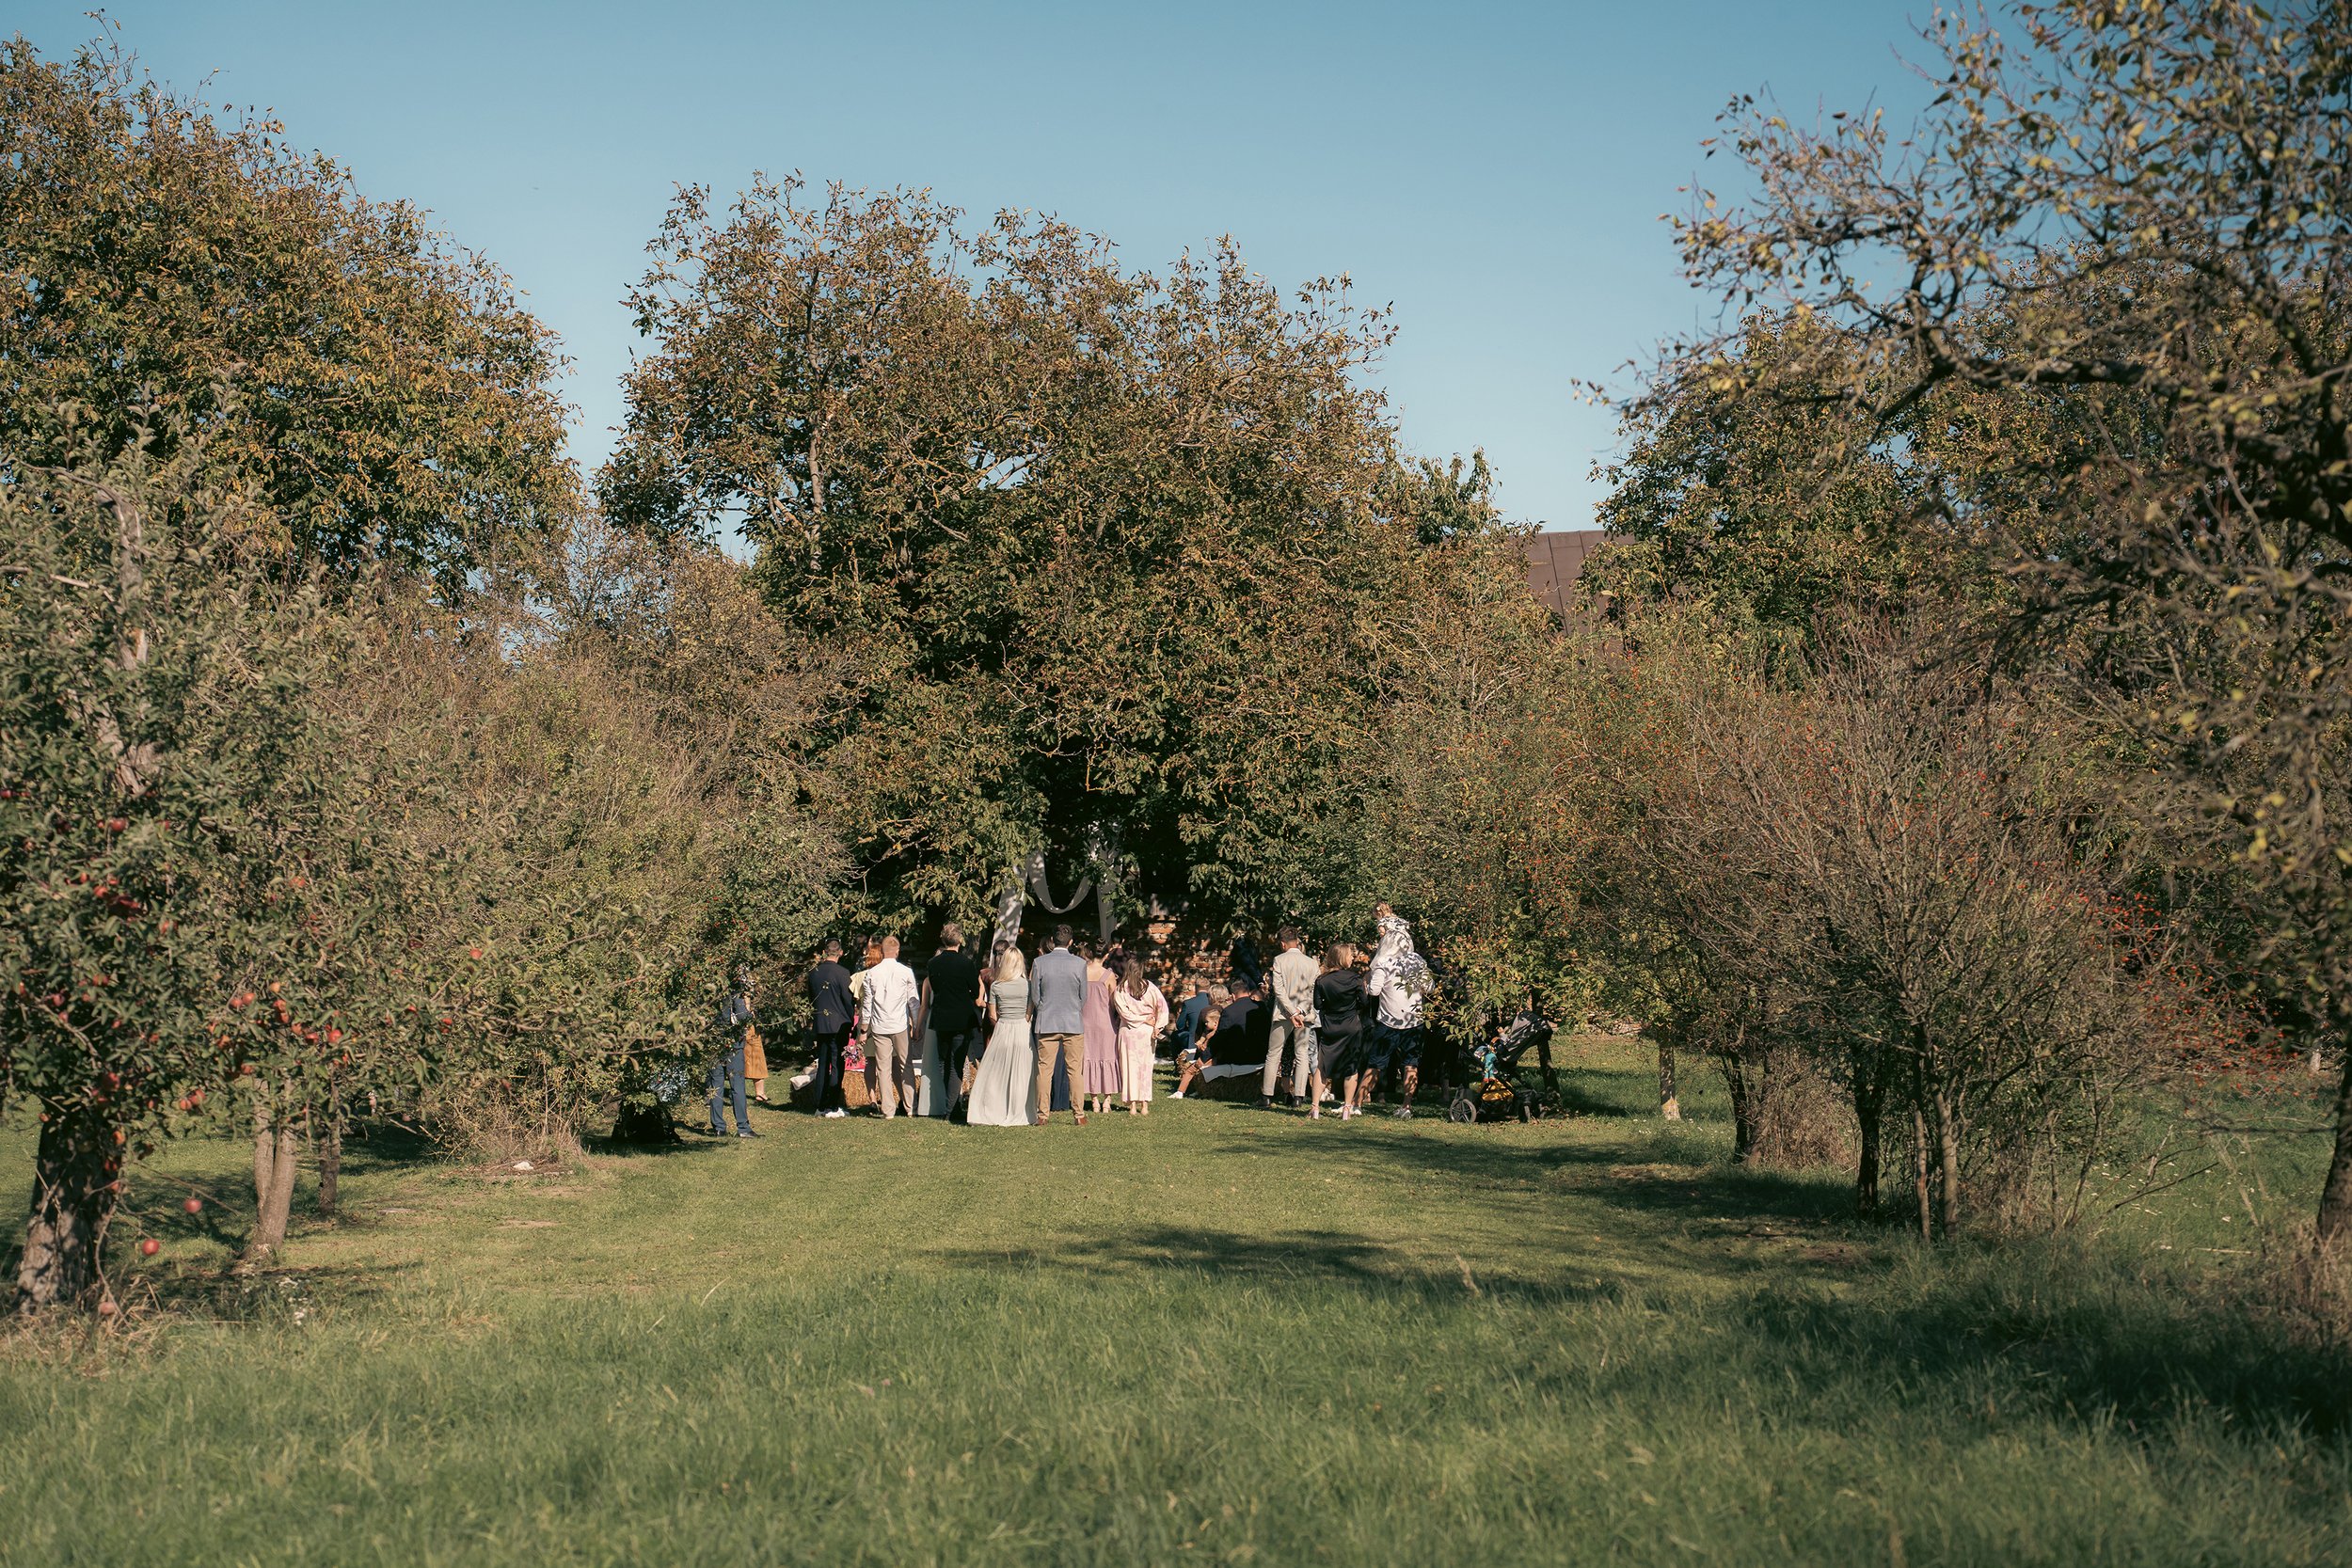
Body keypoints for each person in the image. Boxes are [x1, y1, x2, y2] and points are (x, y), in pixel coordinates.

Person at [1365, 907, 1434, 1118]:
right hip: (1414, 1018)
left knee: (1376, 1063)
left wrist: (1368, 983)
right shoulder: (1417, 961)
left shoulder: (1384, 963)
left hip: (1389, 1019)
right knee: (1410, 1064)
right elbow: (1429, 987)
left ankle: (1356, 1102)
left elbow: (1374, 991)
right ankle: (1407, 1105)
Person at [966, 942, 1039, 1127]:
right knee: (1022, 1073)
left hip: (1003, 1028)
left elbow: (992, 1014)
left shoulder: (997, 985)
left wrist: (1003, 1023)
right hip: (1022, 1030)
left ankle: (995, 1108)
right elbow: (1029, 1013)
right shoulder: (1028, 986)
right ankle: (1020, 1110)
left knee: (996, 1073)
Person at [921, 924, 986, 1121]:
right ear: (959, 940)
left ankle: (950, 1105)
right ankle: (951, 1108)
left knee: (944, 1062)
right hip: (961, 1017)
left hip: (941, 1015)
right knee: (956, 1063)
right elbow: (975, 991)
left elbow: (935, 987)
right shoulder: (966, 963)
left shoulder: (933, 963)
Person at [1029, 925, 1090, 1126]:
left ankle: (1042, 1115)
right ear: (1071, 942)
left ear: (1053, 941)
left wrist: (1044, 1008)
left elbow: (1035, 995)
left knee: (1044, 1070)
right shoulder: (1080, 964)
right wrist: (1073, 1009)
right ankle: (1079, 1114)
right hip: (1072, 1022)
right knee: (1075, 1070)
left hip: (1047, 1021)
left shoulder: (1039, 962)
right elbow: (1083, 996)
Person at [859, 934, 920, 1119]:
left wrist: (864, 1029)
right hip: (900, 1024)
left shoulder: (871, 973)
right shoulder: (906, 972)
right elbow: (913, 1002)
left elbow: (867, 1005)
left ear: (882, 951)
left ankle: (888, 1109)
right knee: (905, 1065)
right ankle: (911, 1106)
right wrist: (916, 1024)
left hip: (880, 1026)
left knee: (883, 1068)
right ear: (897, 951)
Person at [1261, 926, 1319, 1110]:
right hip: (1304, 1014)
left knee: (1274, 1053)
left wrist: (1291, 1011)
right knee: (1302, 1053)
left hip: (1283, 1013)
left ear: (1283, 943)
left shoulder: (1279, 960)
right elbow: (1313, 992)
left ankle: (1267, 1095)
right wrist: (1299, 1011)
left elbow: (1278, 990)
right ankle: (1299, 1097)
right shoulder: (1312, 963)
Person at [1313, 941, 1369, 1121]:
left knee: (1322, 1066)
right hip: (1351, 1025)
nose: (1353, 958)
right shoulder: (1355, 979)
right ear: (1343, 957)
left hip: (1330, 1026)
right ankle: (1346, 1107)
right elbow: (1364, 1002)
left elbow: (1317, 1004)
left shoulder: (1322, 980)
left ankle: (1315, 1108)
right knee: (1351, 1067)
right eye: (1350, 955)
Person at [806, 940, 857, 1118]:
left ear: (824, 952)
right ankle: (833, 1105)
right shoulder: (843, 973)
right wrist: (851, 1020)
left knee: (823, 1063)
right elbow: (848, 1001)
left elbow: (811, 998)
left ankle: (820, 1105)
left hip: (821, 1022)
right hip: (839, 1023)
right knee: (837, 1064)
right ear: (840, 952)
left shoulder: (814, 972)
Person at [1112, 958, 1168, 1113]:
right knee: (1145, 1067)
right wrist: (1157, 1026)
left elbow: (1124, 1014)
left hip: (1129, 1032)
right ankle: (1144, 1104)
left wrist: (1144, 1021)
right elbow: (1162, 1008)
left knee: (1129, 1067)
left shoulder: (1120, 989)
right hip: (1146, 1031)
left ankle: (1132, 1105)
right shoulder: (1150, 987)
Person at [708, 973, 759, 1138]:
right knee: (737, 1083)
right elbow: (742, 1015)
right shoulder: (733, 989)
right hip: (732, 1041)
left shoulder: (706, 987)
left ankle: (718, 1127)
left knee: (716, 1084)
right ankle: (743, 1127)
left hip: (712, 1039)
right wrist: (750, 1013)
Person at [1079, 942, 1121, 1117]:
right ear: (1106, 955)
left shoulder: (1081, 972)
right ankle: (1107, 1101)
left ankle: (1094, 1100)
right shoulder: (1109, 975)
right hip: (1105, 1022)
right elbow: (1114, 1001)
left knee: (1089, 1058)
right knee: (1108, 1058)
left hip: (1085, 1022)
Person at [1169, 1005, 1221, 1099]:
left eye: (1207, 1022)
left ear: (1215, 1023)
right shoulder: (1210, 1032)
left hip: (1209, 1059)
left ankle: (1180, 1092)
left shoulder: (1213, 1035)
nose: (1205, 1024)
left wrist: (1201, 1047)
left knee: (1190, 1070)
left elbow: (1209, 1050)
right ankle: (1198, 1090)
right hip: (1209, 1058)